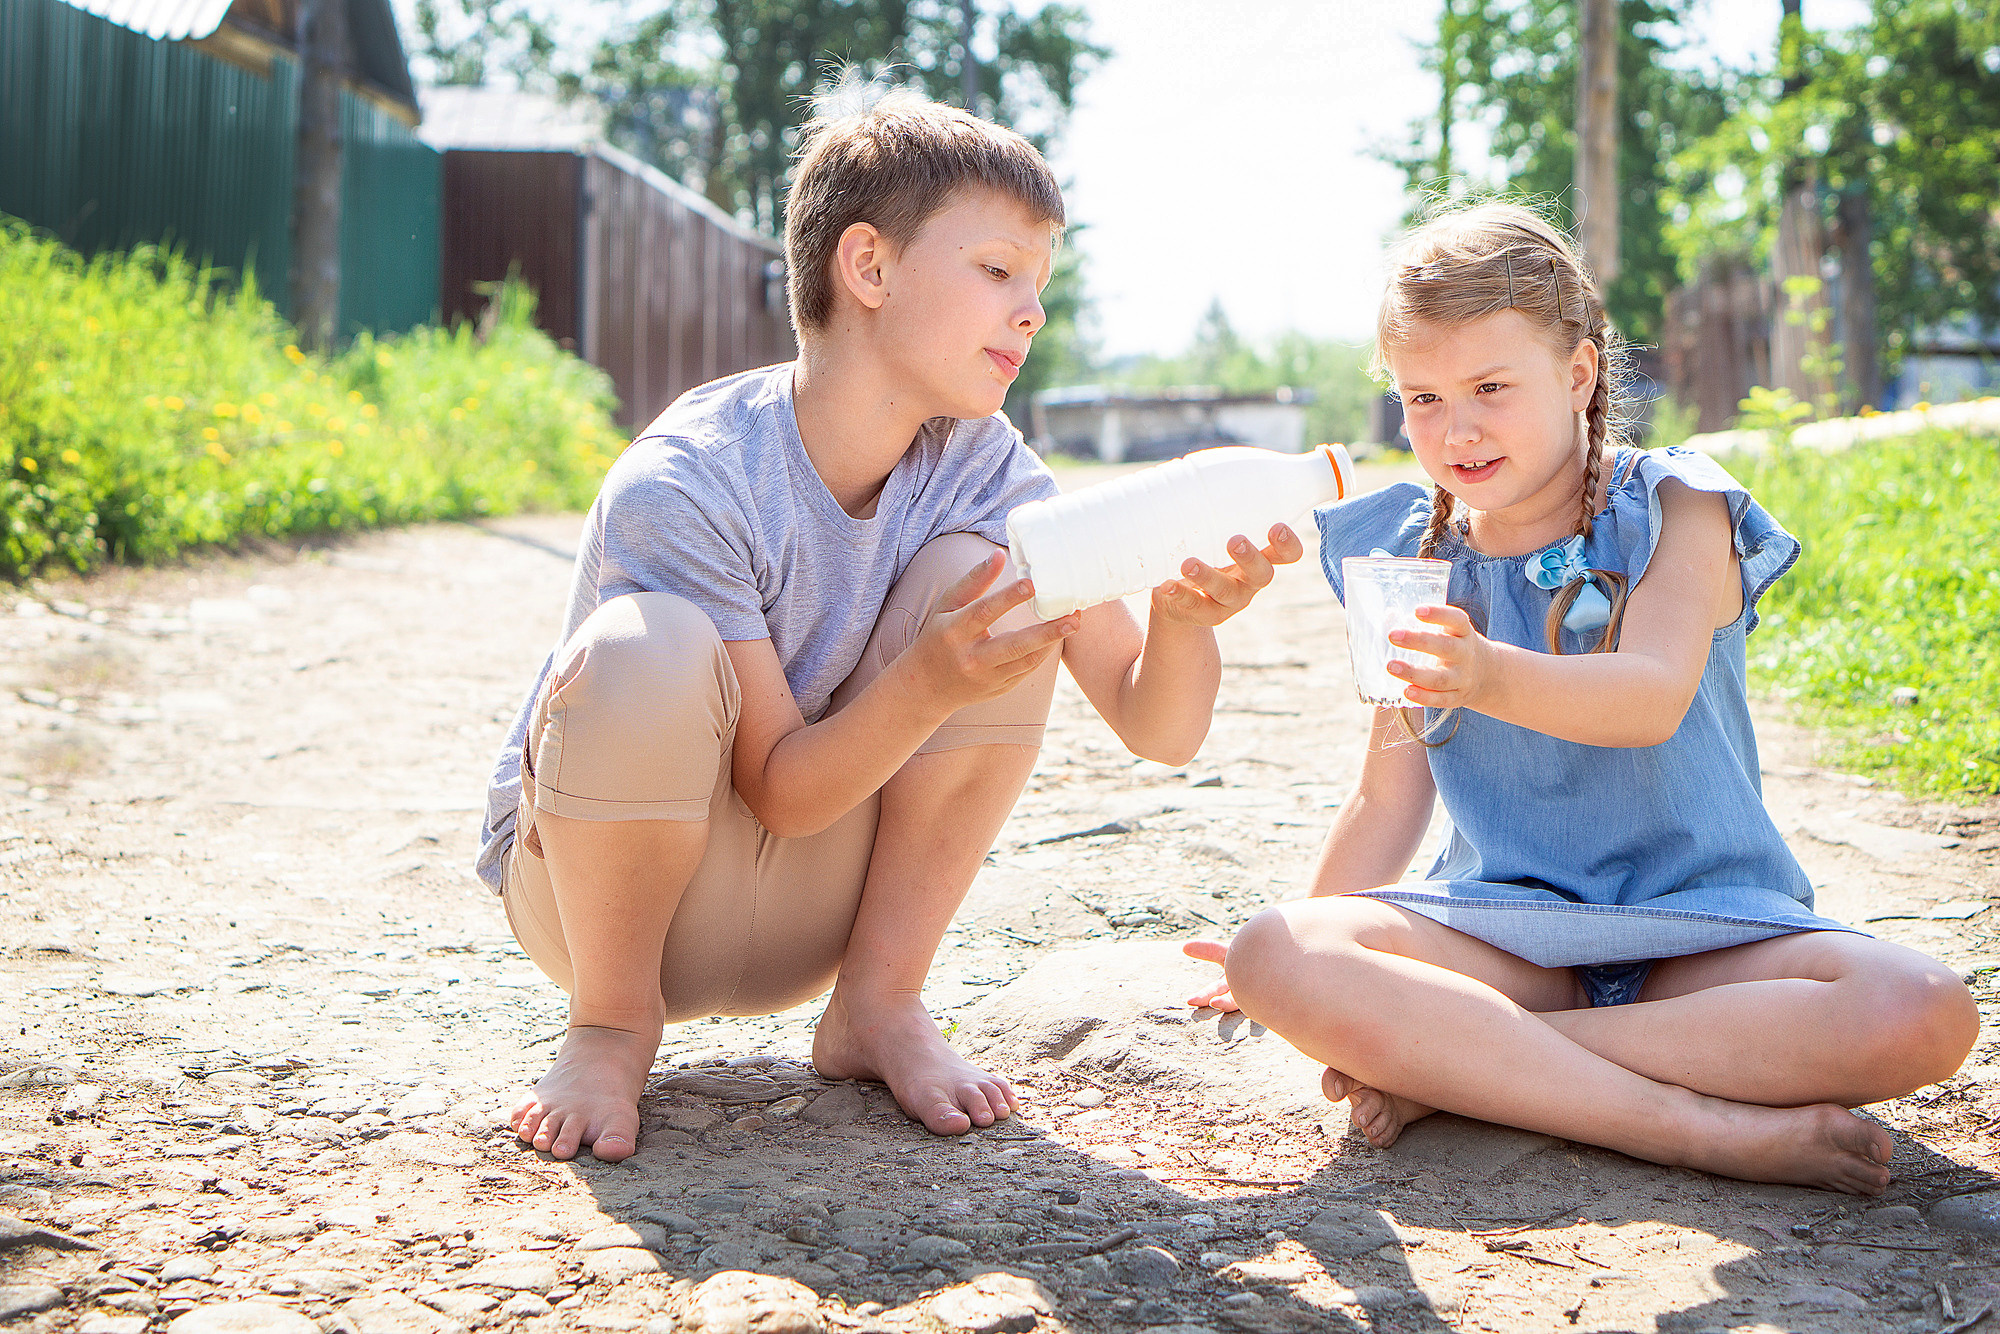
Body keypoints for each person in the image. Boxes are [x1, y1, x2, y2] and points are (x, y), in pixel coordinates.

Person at [478, 85, 1302, 1162]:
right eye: (998, 270)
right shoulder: (687, 480)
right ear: (865, 267)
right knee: (645, 646)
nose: (1031, 311)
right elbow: (777, 783)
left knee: (995, 575)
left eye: (1038, 284)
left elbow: (1157, 727)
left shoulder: (987, 469)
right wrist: (928, 679)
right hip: (604, 909)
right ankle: (609, 1026)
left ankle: (877, 1001)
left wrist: (1185, 623)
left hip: (808, 912)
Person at [1185, 202, 1978, 1196]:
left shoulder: (1673, 505)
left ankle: (1483, 1064)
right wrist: (1294, 950)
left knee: (1922, 1009)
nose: (1455, 426)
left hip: (1708, 929)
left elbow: (1644, 696)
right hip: (1505, 931)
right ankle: (1687, 1125)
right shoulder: (1406, 554)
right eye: (1421, 397)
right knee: (1272, 950)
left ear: (1576, 374)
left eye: (1487, 387)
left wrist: (1485, 673)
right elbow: (1386, 798)